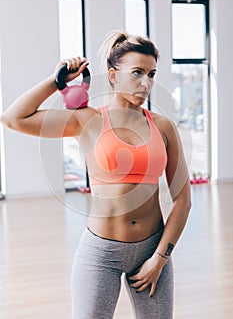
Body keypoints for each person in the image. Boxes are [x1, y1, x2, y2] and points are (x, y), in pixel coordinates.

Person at [0, 30, 191, 319]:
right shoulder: (87, 120)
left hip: (153, 249)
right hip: (101, 252)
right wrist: (57, 82)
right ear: (112, 75)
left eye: (152, 74)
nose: (146, 83)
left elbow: (183, 200)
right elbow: (13, 118)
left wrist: (160, 259)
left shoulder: (163, 127)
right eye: (137, 72)